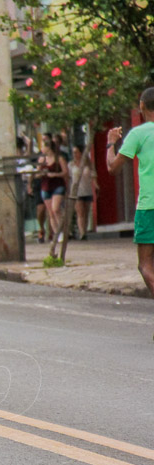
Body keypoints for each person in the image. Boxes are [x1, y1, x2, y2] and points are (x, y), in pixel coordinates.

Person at [107, 86, 154, 304]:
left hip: (149, 207)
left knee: (145, 264)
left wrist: (110, 143)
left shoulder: (138, 133)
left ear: (142, 107)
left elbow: (112, 168)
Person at [39, 140, 69, 262]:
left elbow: (65, 172)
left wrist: (55, 175)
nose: (42, 149)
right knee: (50, 212)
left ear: (49, 147)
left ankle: (62, 230)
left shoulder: (59, 158)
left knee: (56, 208)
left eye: (43, 147)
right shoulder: (42, 160)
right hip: (46, 186)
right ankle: (56, 234)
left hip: (57, 185)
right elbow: (37, 172)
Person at [68, 144, 97, 240]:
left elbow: (93, 175)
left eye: (76, 152)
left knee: (86, 211)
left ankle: (85, 229)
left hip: (87, 189)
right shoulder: (71, 165)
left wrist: (96, 185)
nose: (74, 154)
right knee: (80, 212)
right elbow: (69, 178)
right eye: (73, 153)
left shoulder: (88, 164)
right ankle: (82, 232)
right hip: (77, 191)